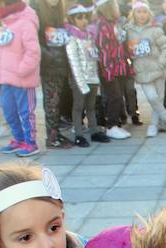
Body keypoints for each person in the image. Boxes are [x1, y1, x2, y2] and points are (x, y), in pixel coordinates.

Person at [126, 1, 166, 137]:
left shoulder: (156, 29)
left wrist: (161, 63)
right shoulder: (128, 30)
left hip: (158, 69)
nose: (142, 15)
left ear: (149, 13)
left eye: (145, 12)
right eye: (139, 12)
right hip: (141, 71)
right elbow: (126, 50)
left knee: (159, 98)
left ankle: (153, 125)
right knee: (152, 97)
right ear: (133, 13)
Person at [0, 0, 42, 156]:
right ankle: (18, 139)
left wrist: (22, 70)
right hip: (6, 78)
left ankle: (31, 142)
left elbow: (33, 52)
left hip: (23, 79)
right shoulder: (7, 22)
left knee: (26, 112)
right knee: (9, 110)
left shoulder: (26, 22)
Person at [64, 4, 108, 147]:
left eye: (85, 17)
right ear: (72, 19)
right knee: (78, 106)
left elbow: (94, 58)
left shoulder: (89, 36)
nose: (84, 20)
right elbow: (74, 62)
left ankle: (94, 131)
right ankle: (78, 134)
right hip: (80, 79)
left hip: (92, 77)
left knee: (91, 105)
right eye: (79, 17)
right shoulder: (71, 38)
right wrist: (81, 82)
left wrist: (96, 77)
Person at [37, 0, 74, 149]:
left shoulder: (58, 13)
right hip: (49, 65)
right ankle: (51, 136)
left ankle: (55, 132)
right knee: (51, 100)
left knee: (56, 100)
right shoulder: (37, 12)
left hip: (61, 63)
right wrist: (50, 56)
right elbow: (35, 42)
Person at [93, 0, 132, 139]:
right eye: (114, 4)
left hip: (119, 67)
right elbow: (103, 49)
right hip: (109, 69)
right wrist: (107, 70)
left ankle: (114, 124)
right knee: (115, 96)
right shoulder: (103, 25)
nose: (117, 7)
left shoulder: (114, 23)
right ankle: (111, 126)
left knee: (118, 96)